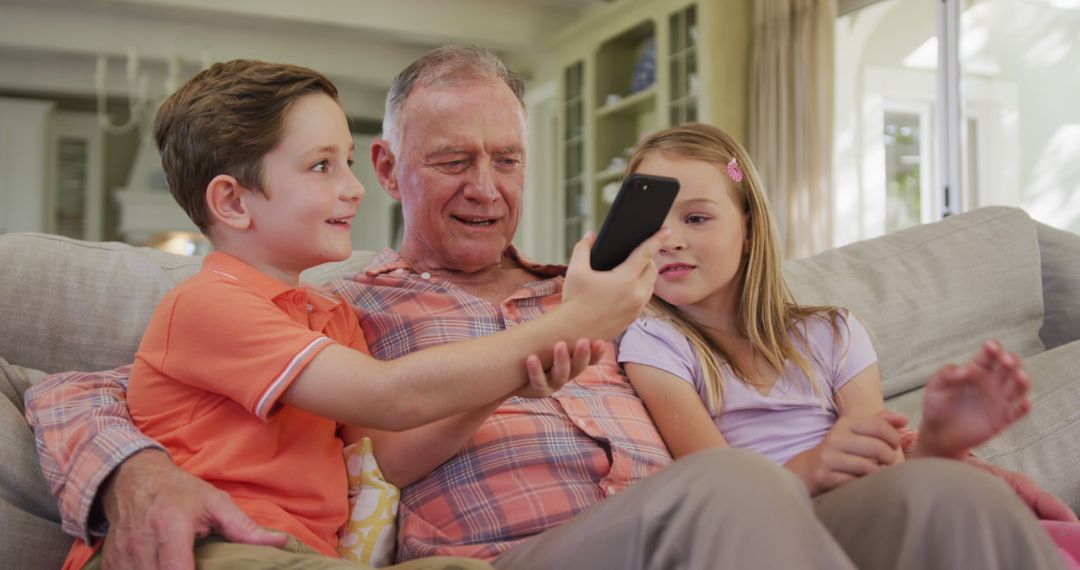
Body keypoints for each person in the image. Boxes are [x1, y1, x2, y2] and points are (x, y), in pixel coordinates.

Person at [25, 46, 1071, 570]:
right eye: (451, 161)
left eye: (507, 159)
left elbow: (771, 363)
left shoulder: (616, 290)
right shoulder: (341, 306)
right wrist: (135, 472)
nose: (487, 185)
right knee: (727, 494)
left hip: (694, 526)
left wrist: (939, 447)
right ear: (389, 168)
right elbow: (85, 387)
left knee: (956, 509)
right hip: (531, 552)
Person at [57, 58, 664, 570]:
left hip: (302, 552)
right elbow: (389, 395)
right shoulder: (210, 302)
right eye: (324, 166)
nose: (352, 189)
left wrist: (514, 378)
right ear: (232, 201)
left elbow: (391, 457)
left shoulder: (326, 316)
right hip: (217, 544)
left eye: (507, 159)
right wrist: (577, 321)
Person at [615, 122, 1080, 567]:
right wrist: (812, 468)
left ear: (750, 230)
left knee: (968, 511)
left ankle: (942, 452)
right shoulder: (654, 342)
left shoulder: (834, 332)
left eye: (696, 217)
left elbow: (882, 466)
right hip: (773, 532)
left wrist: (932, 447)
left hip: (871, 508)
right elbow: (718, 495)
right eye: (651, 223)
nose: (669, 239)